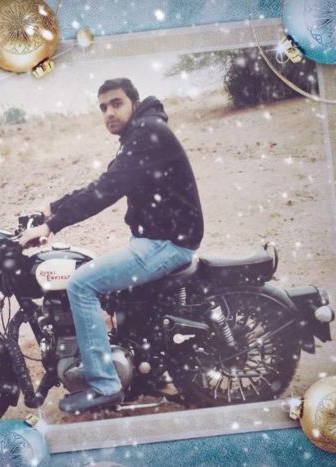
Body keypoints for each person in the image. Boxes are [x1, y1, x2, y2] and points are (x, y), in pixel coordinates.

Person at [19, 78, 204, 412]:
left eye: (116, 103)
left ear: (135, 103)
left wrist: (52, 225)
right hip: (156, 238)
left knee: (81, 284)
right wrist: (52, 207)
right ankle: (142, 368)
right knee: (106, 288)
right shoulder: (140, 133)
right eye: (103, 107)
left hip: (167, 243)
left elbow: (106, 191)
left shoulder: (146, 133)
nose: (109, 113)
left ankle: (105, 384)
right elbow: (106, 181)